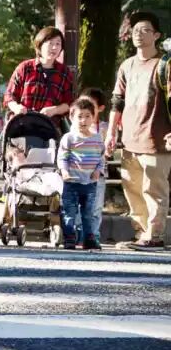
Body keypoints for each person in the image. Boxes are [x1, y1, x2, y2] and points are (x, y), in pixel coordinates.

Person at [106, 11, 171, 250]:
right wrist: (111, 132)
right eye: (135, 31)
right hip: (129, 140)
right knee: (133, 190)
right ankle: (141, 233)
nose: (139, 35)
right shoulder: (127, 65)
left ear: (157, 35)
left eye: (145, 30)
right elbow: (117, 101)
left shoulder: (165, 65)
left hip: (157, 140)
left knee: (154, 190)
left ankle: (155, 235)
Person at [58, 97, 104, 250]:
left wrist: (98, 171)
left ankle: (89, 238)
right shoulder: (69, 138)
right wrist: (64, 171)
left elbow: (101, 158)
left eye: (87, 116)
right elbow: (62, 157)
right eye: (80, 116)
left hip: (90, 183)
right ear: (72, 117)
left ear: (93, 117)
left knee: (88, 213)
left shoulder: (97, 138)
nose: (83, 120)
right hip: (72, 182)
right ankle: (69, 238)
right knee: (69, 212)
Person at [3, 27, 74, 125]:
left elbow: (70, 103)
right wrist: (17, 108)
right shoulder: (25, 67)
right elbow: (9, 96)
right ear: (40, 45)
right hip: (22, 125)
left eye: (58, 44)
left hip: (49, 127)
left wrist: (54, 110)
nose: (54, 47)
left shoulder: (64, 72)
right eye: (50, 43)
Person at [78, 86, 108, 242]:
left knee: (96, 207)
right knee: (78, 206)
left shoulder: (104, 128)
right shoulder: (74, 127)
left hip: (98, 174)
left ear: (100, 108)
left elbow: (106, 150)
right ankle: (78, 235)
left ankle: (93, 235)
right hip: (78, 173)